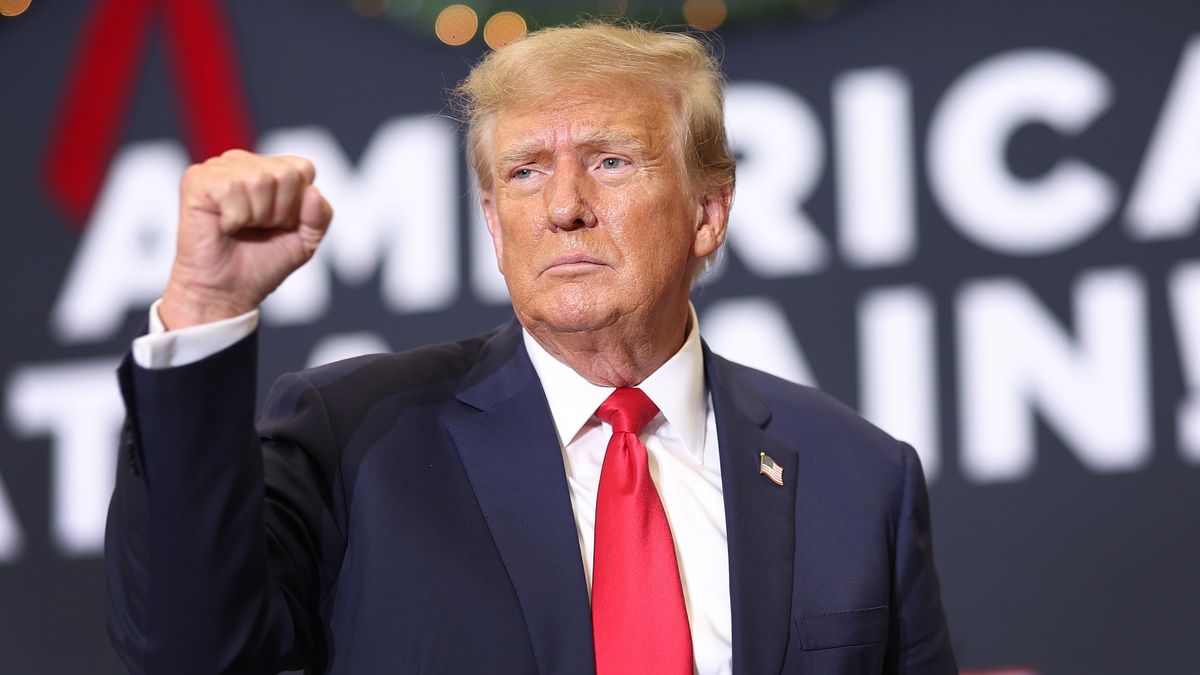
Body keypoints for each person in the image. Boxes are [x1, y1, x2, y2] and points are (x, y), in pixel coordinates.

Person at [105, 22, 956, 675]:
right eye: (524, 173)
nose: (564, 207)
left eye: (611, 162)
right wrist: (205, 310)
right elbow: (186, 645)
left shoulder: (860, 478)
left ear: (709, 210)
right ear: (490, 220)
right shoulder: (354, 435)